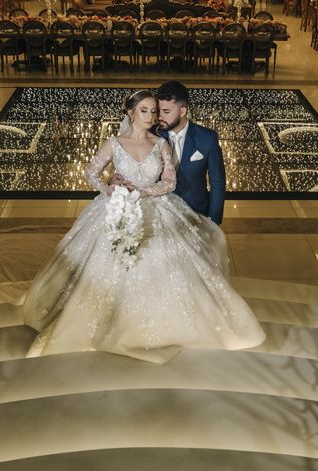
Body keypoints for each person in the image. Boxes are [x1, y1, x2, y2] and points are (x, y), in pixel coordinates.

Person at [22, 89, 265, 364]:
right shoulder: (114, 143)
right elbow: (90, 172)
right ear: (130, 112)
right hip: (116, 209)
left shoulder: (160, 144)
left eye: (153, 111)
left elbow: (169, 182)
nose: (150, 116)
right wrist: (110, 189)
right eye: (144, 110)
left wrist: (141, 191)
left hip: (157, 209)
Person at [113, 81, 226, 225]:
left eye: (166, 112)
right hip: (158, 214)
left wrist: (214, 222)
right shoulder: (149, 134)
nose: (159, 117)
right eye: (158, 111)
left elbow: (217, 184)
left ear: (183, 111)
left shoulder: (207, 138)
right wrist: (114, 181)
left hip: (195, 214)